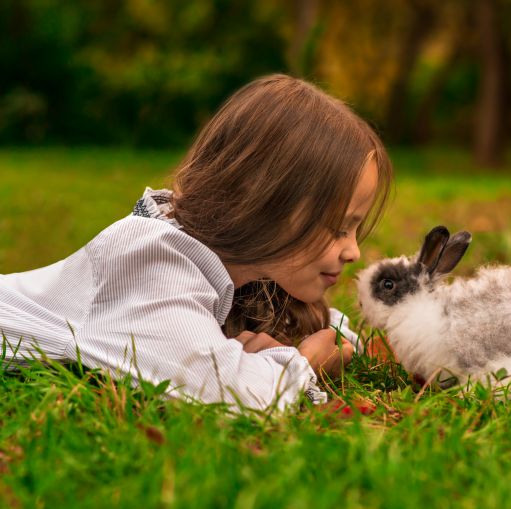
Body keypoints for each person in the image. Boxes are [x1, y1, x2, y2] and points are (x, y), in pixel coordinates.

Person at [0, 74, 393, 411]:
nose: (353, 251)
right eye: (339, 227)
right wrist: (305, 365)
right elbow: (225, 394)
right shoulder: (150, 260)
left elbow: (333, 333)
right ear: (265, 201)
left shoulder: (240, 268)